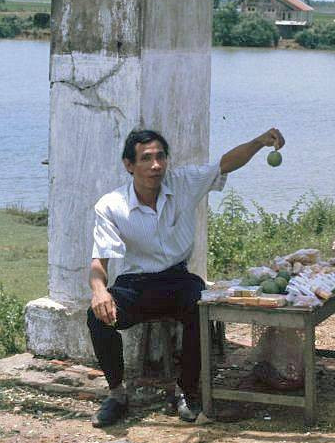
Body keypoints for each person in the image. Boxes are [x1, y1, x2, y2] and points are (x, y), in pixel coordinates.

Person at [87, 127, 285, 427]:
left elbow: (224, 164)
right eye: (146, 158)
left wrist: (259, 142)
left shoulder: (182, 182)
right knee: (96, 316)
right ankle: (117, 394)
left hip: (178, 279)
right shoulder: (111, 205)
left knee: (200, 307)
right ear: (129, 165)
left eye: (160, 157)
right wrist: (99, 291)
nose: (156, 165)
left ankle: (186, 390)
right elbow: (98, 262)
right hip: (135, 284)